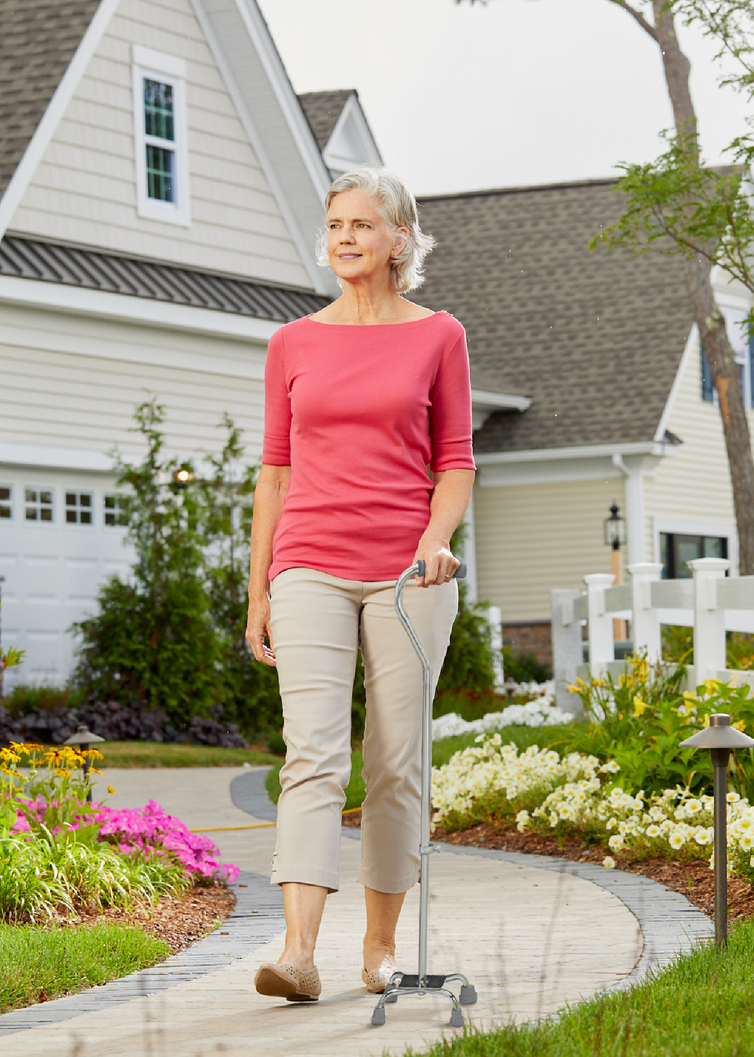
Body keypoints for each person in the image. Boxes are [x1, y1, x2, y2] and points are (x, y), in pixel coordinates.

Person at [244, 166, 476, 1002]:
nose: (344, 238)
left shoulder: (438, 335)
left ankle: (379, 949)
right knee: (311, 754)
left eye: (361, 226)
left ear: (398, 240)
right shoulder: (292, 342)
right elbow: (274, 473)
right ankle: (298, 953)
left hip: (410, 572)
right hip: (308, 560)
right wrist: (260, 586)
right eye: (335, 224)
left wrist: (435, 540)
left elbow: (455, 464)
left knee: (393, 761)